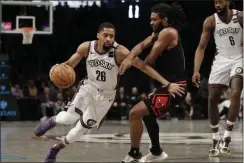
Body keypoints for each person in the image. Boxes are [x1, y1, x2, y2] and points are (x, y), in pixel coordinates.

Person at [33, 22, 185, 163]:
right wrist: (57, 70)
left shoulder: (119, 52)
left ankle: (55, 150)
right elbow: (68, 65)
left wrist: (167, 84)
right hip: (88, 88)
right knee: (68, 118)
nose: (109, 39)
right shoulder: (86, 47)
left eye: (112, 36)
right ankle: (52, 121)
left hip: (106, 97)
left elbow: (144, 67)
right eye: (105, 35)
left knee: (79, 131)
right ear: (98, 35)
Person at [120, 3, 187, 162]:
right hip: (167, 85)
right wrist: (129, 58)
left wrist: (136, 62)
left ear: (164, 20)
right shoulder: (159, 33)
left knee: (135, 113)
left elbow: (149, 61)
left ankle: (134, 155)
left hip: (175, 88)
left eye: (154, 19)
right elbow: (141, 45)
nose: (150, 22)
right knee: (148, 117)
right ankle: (157, 152)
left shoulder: (168, 33)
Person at [192, 0, 243, 157]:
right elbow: (201, 47)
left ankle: (227, 136)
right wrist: (196, 71)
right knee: (212, 98)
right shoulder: (210, 21)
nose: (217, 5)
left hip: (239, 58)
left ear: (228, 2)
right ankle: (215, 138)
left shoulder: (240, 16)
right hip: (221, 60)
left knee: (235, 93)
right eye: (215, 2)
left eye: (220, 2)